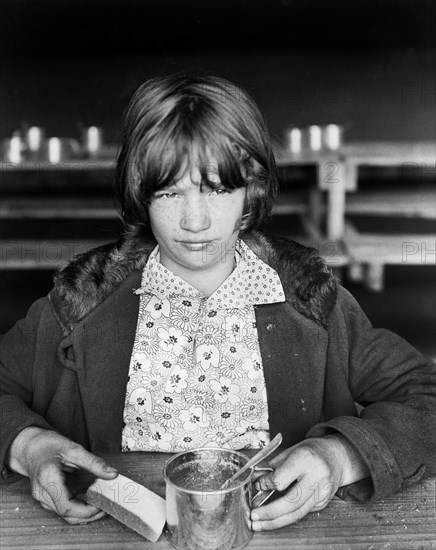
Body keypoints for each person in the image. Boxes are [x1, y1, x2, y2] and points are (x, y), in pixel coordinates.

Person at [0, 74, 435, 532]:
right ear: (140, 195)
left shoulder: (315, 307)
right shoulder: (78, 308)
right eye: (170, 193)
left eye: (217, 189)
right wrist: (28, 446)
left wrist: (339, 455)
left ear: (252, 189)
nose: (195, 221)